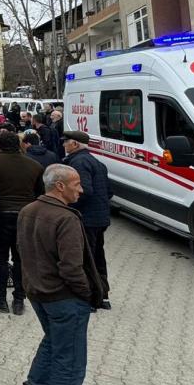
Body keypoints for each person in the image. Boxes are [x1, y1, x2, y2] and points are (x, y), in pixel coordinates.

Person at [17, 164, 105, 385]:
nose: (81, 189)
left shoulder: (28, 210)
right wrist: (87, 293)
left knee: (54, 340)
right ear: (60, 186)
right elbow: (71, 267)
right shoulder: (66, 219)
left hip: (37, 291)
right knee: (71, 359)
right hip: (64, 297)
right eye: (76, 184)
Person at [0, 131, 44, 316]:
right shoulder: (34, 166)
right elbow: (40, 194)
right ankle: (19, 299)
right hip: (25, 217)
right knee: (21, 258)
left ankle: (0, 298)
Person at [62, 130, 112, 309]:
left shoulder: (79, 162)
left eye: (66, 142)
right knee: (98, 257)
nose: (63, 145)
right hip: (100, 218)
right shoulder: (96, 162)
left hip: (87, 219)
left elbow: (85, 190)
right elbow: (109, 191)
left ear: (74, 144)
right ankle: (103, 295)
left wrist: (68, 204)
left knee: (86, 259)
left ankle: (90, 298)